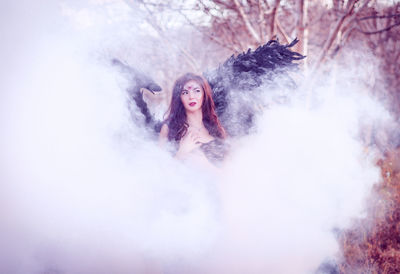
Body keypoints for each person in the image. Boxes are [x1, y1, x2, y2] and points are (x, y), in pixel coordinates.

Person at [159, 73, 228, 166]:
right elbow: (159, 172)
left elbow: (230, 175)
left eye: (197, 91)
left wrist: (206, 165)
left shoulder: (218, 130)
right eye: (185, 92)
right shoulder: (168, 129)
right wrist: (181, 153)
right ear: (179, 98)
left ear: (204, 95)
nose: (191, 96)